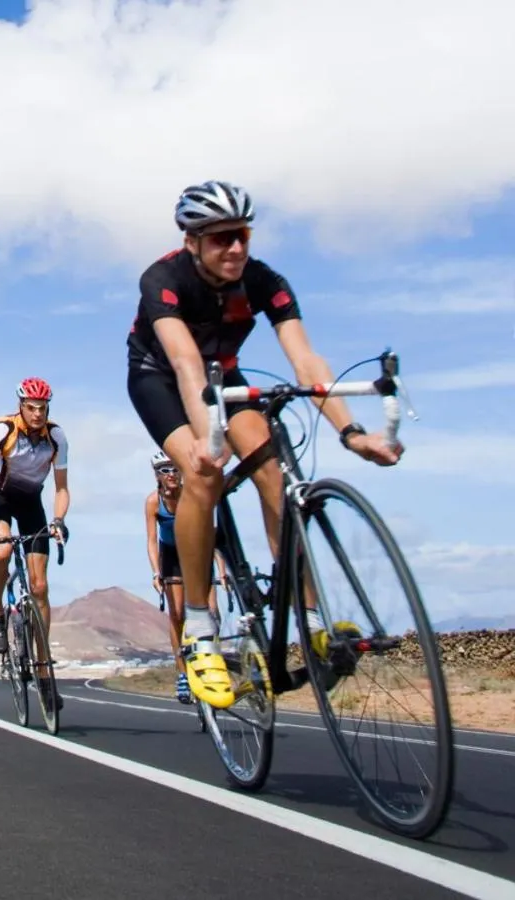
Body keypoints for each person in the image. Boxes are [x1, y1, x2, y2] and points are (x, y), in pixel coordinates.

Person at [125, 180, 401, 710]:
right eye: (222, 238)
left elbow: (308, 363)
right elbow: (184, 362)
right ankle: (200, 632)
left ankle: (313, 621)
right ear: (194, 243)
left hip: (225, 377)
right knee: (201, 475)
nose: (235, 248)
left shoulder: (265, 280)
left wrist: (352, 434)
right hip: (159, 379)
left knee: (275, 472)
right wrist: (207, 439)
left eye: (243, 236)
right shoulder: (163, 280)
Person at [0, 377, 69, 707]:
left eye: (43, 408)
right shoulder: (1, 431)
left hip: (31, 503)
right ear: (21, 406)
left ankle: (43, 672)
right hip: (0, 498)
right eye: (31, 408)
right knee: (4, 550)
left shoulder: (56, 437)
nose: (38, 414)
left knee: (40, 587)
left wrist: (58, 521)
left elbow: (62, 488)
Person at [145, 450, 226, 704]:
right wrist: (156, 571)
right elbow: (150, 540)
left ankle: (210, 658)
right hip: (170, 556)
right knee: (177, 614)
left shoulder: (192, 495)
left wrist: (221, 570)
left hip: (198, 550)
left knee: (212, 613)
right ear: (157, 475)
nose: (171, 474)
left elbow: (209, 535)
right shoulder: (153, 502)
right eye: (165, 470)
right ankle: (182, 672)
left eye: (175, 468)